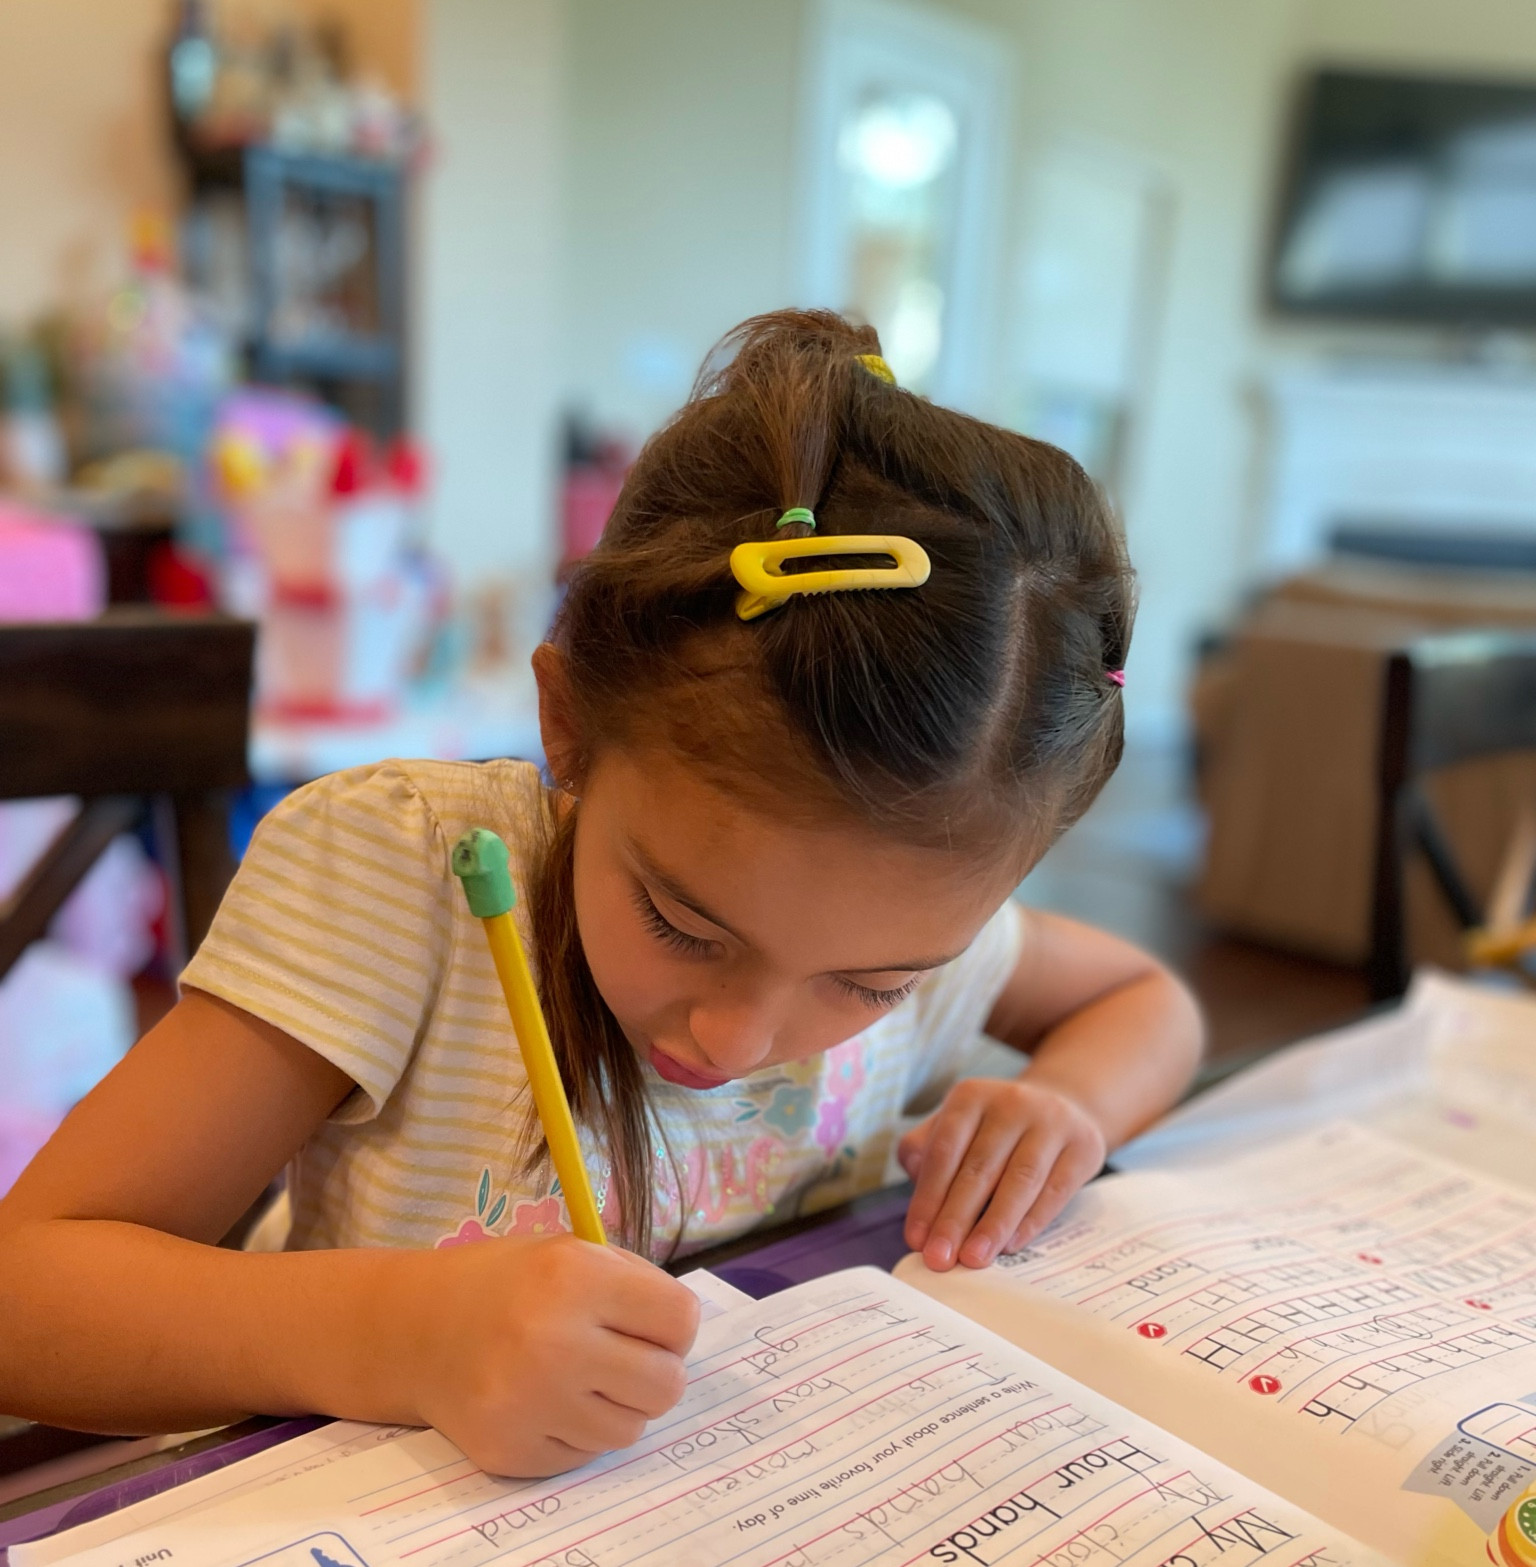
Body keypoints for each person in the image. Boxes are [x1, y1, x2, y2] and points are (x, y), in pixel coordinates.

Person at [0, 311, 1201, 1478]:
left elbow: (1148, 1004)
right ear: (567, 725)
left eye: (873, 985)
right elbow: (26, 1297)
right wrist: (398, 1335)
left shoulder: (913, 910)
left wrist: (1066, 1107)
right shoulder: (405, 874)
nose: (740, 1037)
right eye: (684, 922)